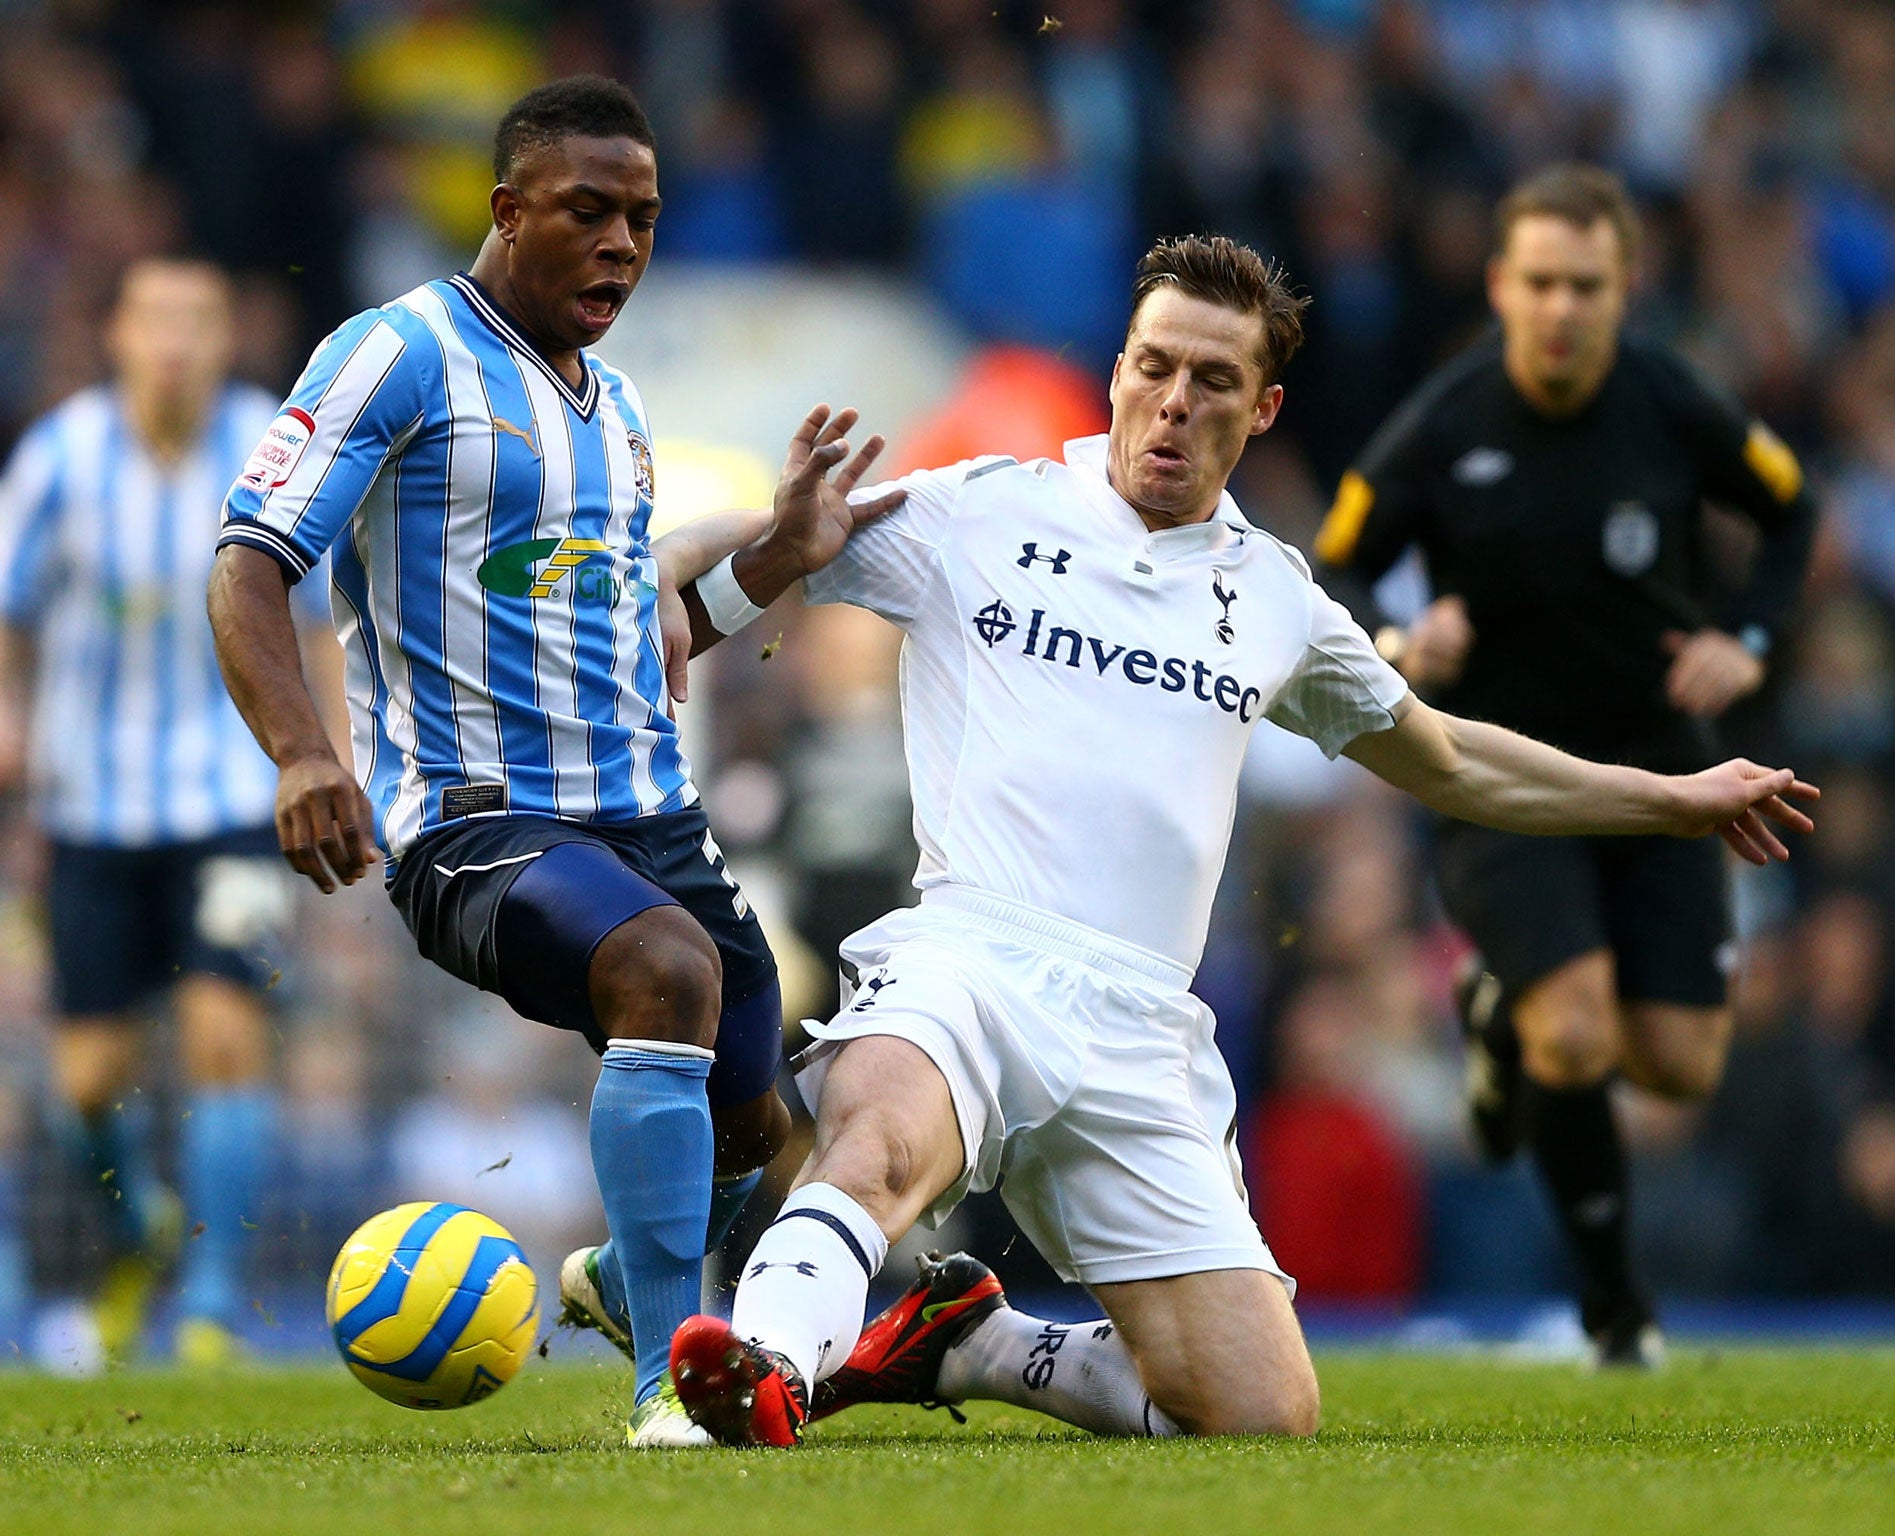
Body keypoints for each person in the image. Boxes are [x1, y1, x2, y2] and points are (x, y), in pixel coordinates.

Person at [656, 232, 1816, 1446]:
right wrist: (674, 595)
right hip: (971, 956)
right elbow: (738, 542)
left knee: (1258, 1417)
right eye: (1153, 365)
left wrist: (1669, 796)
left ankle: (980, 1345)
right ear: (1115, 372)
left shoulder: (1276, 599)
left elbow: (1454, 759)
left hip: (1141, 1028)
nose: (1172, 401)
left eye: (1211, 381)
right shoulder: (980, 510)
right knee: (882, 1130)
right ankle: (760, 1367)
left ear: (1260, 409)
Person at [206, 76, 896, 1447]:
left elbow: (646, 638)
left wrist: (778, 560)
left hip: (651, 825)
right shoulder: (394, 353)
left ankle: (608, 1285)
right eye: (589, 212)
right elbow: (247, 568)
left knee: (760, 1127)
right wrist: (301, 754)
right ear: (507, 210)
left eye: (641, 218)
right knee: (670, 978)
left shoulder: (621, 410)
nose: (623, 245)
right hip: (476, 827)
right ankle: (665, 1399)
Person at [1313, 164, 1819, 1365]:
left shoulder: (1670, 402)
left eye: (1584, 285)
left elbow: (1791, 510)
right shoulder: (1441, 424)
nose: (1559, 308)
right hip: (1501, 781)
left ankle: (1492, 1017)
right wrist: (1392, 638)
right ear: (1499, 285)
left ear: (1623, 288)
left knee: (1680, 1064)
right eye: (1537, 282)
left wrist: (1742, 640)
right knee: (1579, 1040)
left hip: (1662, 774)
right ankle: (1616, 1318)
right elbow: (1328, 564)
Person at [0, 257, 342, 1366]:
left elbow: (321, 622)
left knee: (225, 1038)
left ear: (226, 337)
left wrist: (330, 759)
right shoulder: (61, 456)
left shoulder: (270, 452)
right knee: (86, 1079)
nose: (178, 343)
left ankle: (206, 1301)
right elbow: (6, 605)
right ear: (119, 337)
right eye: (157, 320)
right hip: (91, 808)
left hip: (235, 799)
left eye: (200, 321)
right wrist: (9, 711)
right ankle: (137, 1214)